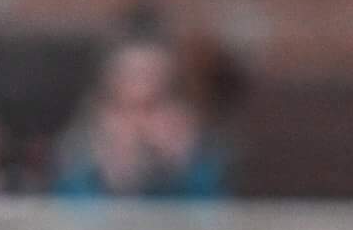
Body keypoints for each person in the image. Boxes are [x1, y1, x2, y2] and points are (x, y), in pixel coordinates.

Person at [51, 35, 227, 199]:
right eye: (125, 108)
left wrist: (180, 169)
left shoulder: (201, 161)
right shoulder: (77, 162)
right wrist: (109, 179)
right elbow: (63, 208)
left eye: (151, 107)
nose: (138, 125)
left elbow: (215, 209)